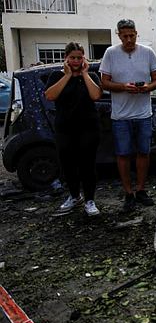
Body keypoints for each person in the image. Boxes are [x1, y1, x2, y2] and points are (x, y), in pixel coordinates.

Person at [99, 19, 156, 213]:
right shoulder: (110, 53)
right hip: (121, 116)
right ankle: (128, 193)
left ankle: (141, 189)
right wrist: (123, 87)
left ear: (136, 33)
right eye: (124, 36)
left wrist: (146, 89)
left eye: (131, 35)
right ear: (119, 35)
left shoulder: (147, 52)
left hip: (143, 114)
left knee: (144, 152)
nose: (128, 39)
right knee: (123, 155)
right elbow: (104, 83)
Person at [44, 42, 103, 216]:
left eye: (79, 57)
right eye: (72, 58)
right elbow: (50, 95)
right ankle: (74, 196)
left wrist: (84, 74)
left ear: (84, 58)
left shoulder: (91, 75)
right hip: (65, 128)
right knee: (68, 164)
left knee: (88, 165)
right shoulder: (56, 76)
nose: (76, 61)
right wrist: (67, 75)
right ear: (66, 58)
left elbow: (96, 95)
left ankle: (90, 200)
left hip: (89, 127)